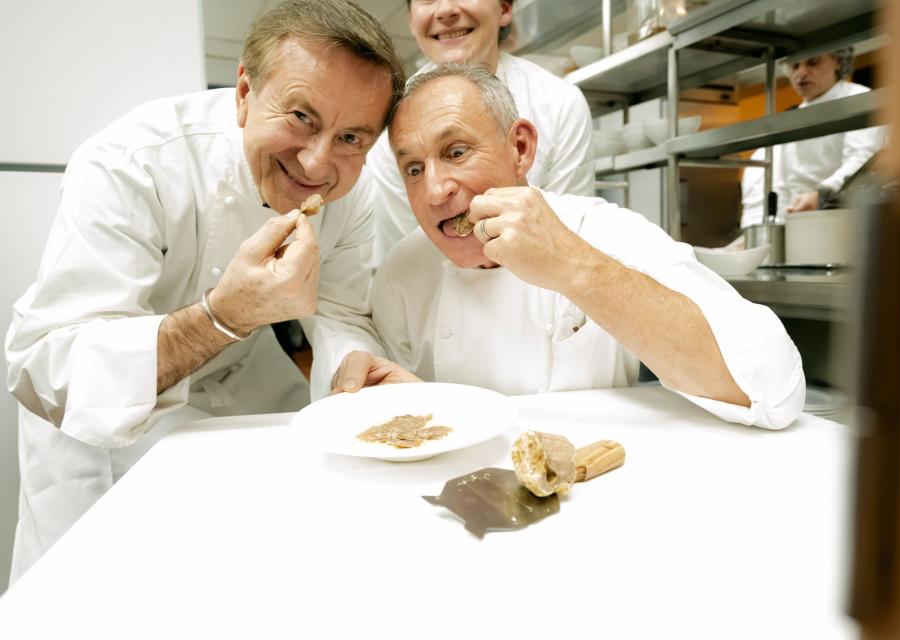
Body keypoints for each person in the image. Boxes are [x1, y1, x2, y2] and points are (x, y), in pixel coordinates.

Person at [4, 0, 406, 583]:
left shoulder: (354, 194)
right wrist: (222, 317)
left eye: (351, 137)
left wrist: (351, 369)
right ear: (245, 92)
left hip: (240, 414)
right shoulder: (133, 164)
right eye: (301, 116)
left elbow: (340, 311)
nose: (319, 164)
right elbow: (51, 364)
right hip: (102, 436)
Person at [354, 63, 805, 430]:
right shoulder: (401, 272)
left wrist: (573, 266)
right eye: (413, 169)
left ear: (521, 148)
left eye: (455, 152)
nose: (434, 191)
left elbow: (774, 387)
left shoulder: (602, 230)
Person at [366, 0, 595, 264]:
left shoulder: (559, 103)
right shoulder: (390, 129)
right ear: (411, 21)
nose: (445, 10)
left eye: (458, 152)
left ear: (505, 8)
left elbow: (567, 236)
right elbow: (409, 257)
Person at [741, 48, 886, 226]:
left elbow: (862, 160)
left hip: (848, 218)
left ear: (838, 61)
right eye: (794, 66)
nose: (801, 72)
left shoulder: (859, 99)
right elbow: (784, 181)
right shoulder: (793, 117)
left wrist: (822, 194)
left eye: (813, 62)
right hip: (801, 219)